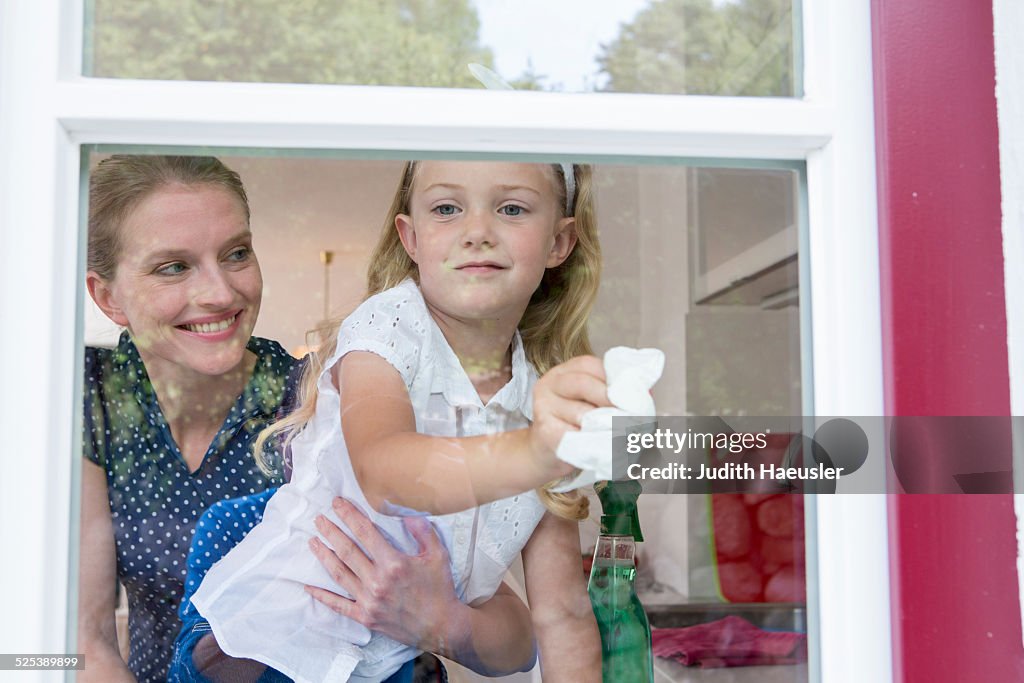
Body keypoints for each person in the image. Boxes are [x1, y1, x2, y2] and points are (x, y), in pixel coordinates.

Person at [78, 156, 536, 683]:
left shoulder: (326, 390)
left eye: (236, 254)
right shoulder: (90, 398)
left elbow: (519, 639)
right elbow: (80, 644)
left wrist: (443, 623)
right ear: (107, 296)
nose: (221, 292)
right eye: (173, 267)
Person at [188, 160, 607, 681]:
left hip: (385, 662)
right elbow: (387, 474)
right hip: (262, 643)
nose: (477, 232)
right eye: (447, 209)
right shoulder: (388, 328)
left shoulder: (543, 396)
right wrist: (538, 451)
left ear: (558, 243)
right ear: (411, 238)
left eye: (512, 208)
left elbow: (560, 614)